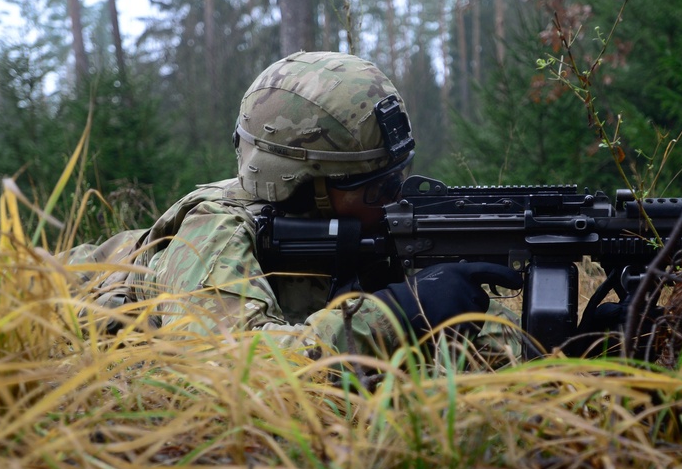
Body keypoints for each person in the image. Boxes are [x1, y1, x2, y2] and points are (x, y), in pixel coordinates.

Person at [67, 51, 524, 360]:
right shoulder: (216, 231)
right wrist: (392, 315)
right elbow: (231, 364)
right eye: (379, 186)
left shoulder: (365, 233)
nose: (396, 196)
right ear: (305, 188)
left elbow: (477, 344)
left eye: (400, 175)